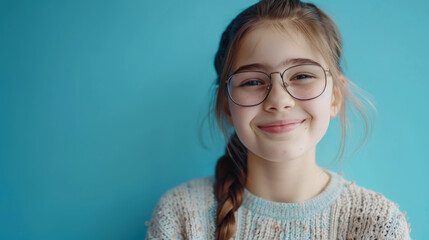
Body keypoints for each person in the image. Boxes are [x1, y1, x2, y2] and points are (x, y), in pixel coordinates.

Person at [145, 0, 411, 239]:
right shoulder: (181, 215)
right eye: (252, 81)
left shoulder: (378, 225)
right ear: (227, 106)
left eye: (302, 76)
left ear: (334, 97)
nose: (279, 100)